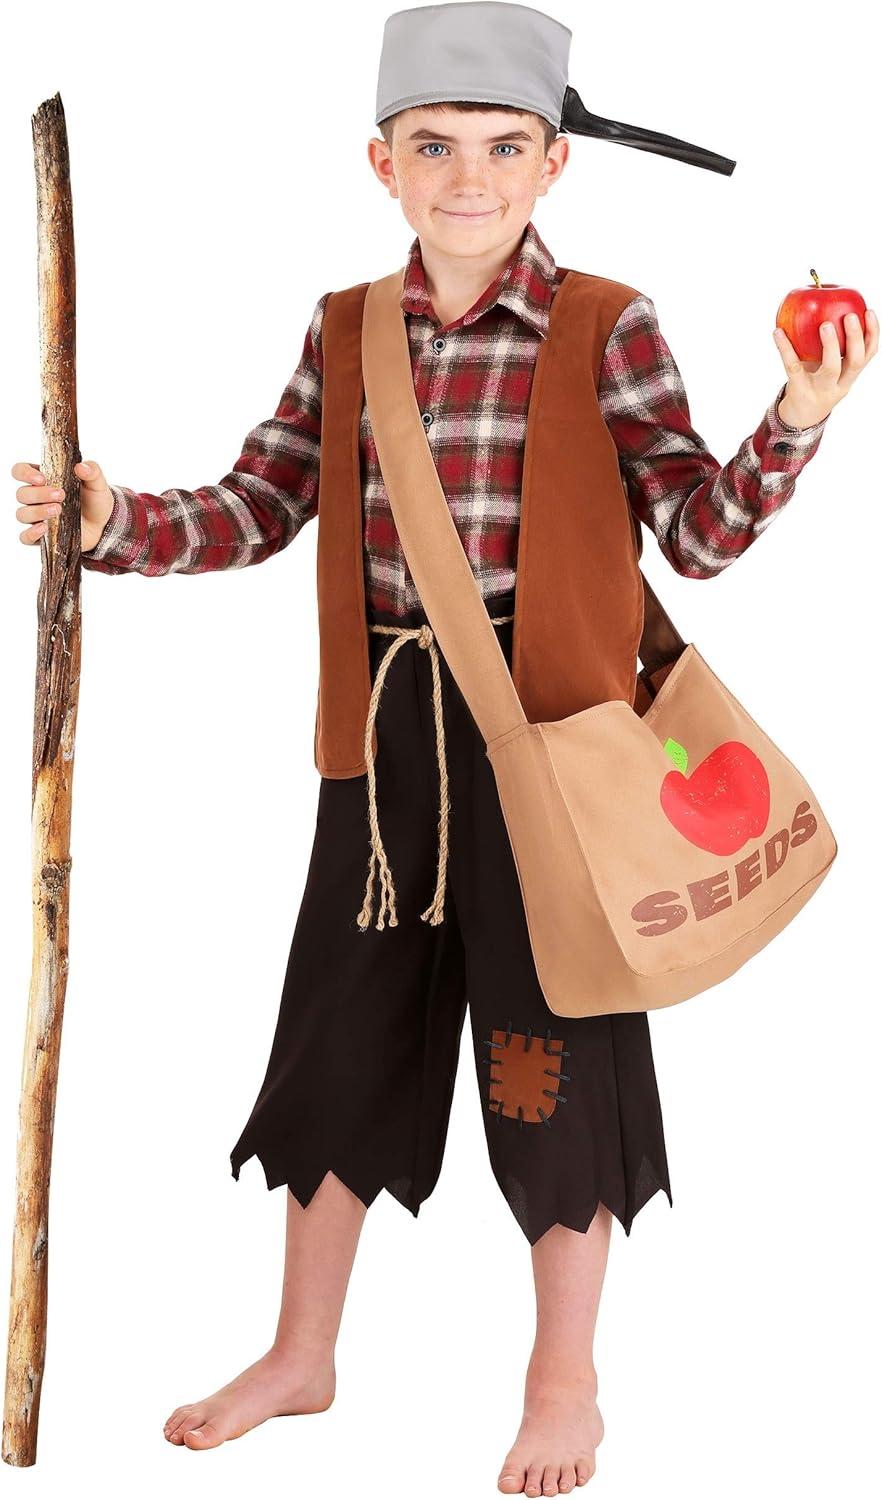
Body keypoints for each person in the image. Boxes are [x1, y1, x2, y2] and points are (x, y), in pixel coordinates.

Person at [11, 4, 876, 1493]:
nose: (466, 177)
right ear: (382, 164)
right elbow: (257, 505)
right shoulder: (345, 329)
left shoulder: (608, 324)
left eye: (499, 148)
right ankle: (302, 1351)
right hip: (384, 751)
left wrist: (794, 416)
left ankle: (563, 1379)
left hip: (554, 756)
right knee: (339, 1030)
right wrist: (109, 521)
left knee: (560, 1043)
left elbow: (696, 534)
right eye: (432, 148)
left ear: (551, 166)